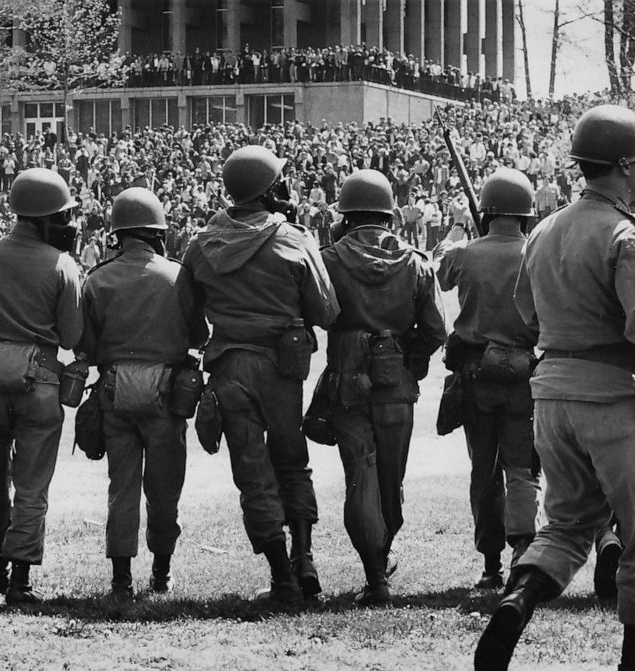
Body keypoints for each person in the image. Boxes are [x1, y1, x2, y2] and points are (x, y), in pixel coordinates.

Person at [475, 104, 635, 671]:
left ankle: (518, 600)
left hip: (550, 396)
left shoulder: (544, 229)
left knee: (569, 525)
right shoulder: (628, 235)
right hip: (614, 399)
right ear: (625, 166)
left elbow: (526, 314)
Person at [183, 145, 339, 603]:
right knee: (292, 462)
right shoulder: (295, 239)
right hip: (281, 368)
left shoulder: (201, 243)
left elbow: (188, 319)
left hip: (228, 366)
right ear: (271, 190)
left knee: (252, 474)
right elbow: (327, 311)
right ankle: (304, 560)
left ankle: (280, 577)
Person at [315, 169, 446, 606]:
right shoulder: (416, 262)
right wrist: (405, 357)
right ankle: (381, 564)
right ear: (390, 214)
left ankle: (375, 576)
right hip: (396, 388)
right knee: (391, 480)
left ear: (346, 215)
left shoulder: (329, 259)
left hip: (347, 383)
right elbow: (435, 329)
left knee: (360, 475)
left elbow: (320, 314)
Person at [79, 187, 208, 601]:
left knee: (122, 486)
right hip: (166, 394)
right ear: (158, 233)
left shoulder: (97, 278)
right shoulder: (177, 276)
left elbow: (88, 345)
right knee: (165, 487)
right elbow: (198, 336)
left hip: (116, 392)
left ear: (118, 234)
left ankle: (121, 579)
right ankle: (161, 572)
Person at [0, 168, 82, 604]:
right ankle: (19, 580)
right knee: (32, 483)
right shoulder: (62, 264)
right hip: (39, 380)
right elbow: (72, 338)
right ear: (46, 218)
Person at [434, 168, 539, 591]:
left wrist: (459, 226)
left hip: (477, 373)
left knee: (484, 470)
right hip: (522, 373)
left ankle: (490, 563)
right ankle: (522, 551)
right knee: (521, 469)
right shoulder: (535, 252)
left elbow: (440, 270)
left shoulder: (466, 252)